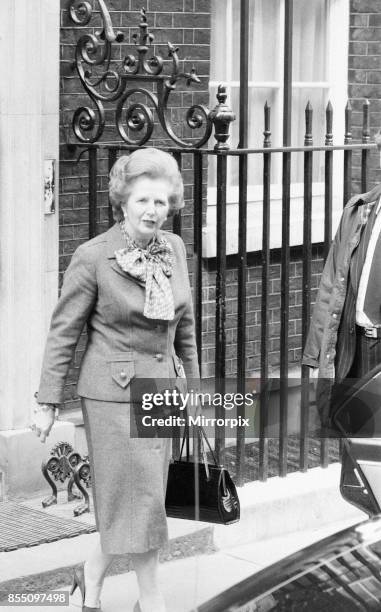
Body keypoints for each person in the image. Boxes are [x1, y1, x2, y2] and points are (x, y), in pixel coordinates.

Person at [32, 148, 200, 612]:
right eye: (144, 200)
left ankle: (88, 577)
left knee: (138, 498)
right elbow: (63, 333)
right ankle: (152, 599)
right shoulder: (93, 257)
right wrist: (47, 401)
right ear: (122, 201)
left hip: (162, 391)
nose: (153, 211)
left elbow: (184, 326)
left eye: (162, 203)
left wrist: (196, 390)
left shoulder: (174, 250)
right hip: (113, 396)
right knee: (142, 498)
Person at [302, 181, 381, 432]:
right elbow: (331, 285)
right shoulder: (359, 210)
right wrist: (315, 357)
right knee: (351, 440)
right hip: (352, 346)